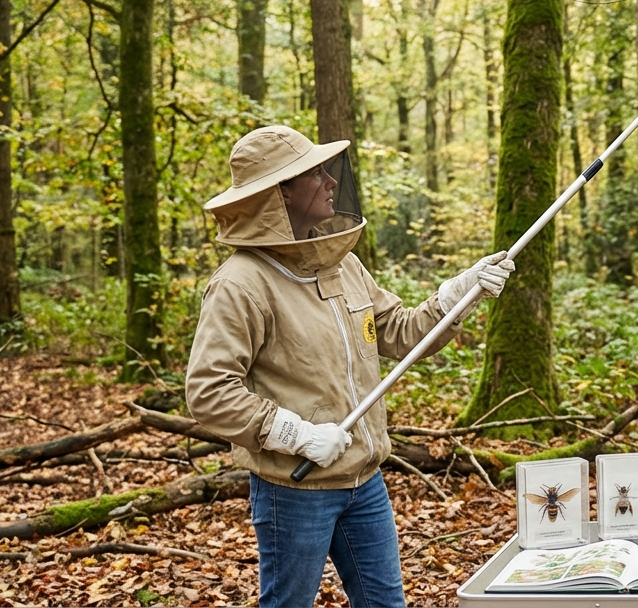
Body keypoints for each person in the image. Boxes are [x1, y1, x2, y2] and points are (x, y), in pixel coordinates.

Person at [186, 125, 515, 607]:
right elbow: (209, 392)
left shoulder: (342, 264)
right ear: (281, 193)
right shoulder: (241, 284)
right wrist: (294, 434)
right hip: (294, 491)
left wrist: (459, 294)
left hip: (365, 482)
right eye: (314, 173)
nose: (330, 181)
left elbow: (400, 331)